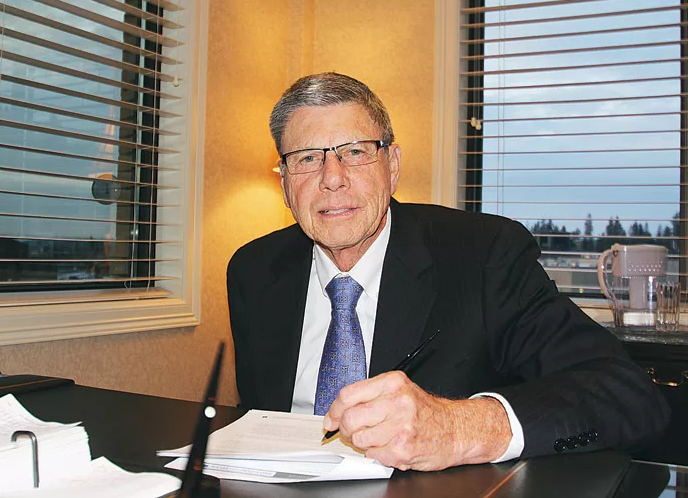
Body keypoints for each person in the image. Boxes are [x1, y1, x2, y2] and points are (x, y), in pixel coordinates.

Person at [227, 72, 669, 472]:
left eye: (356, 152)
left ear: (392, 166)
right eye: (306, 158)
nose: (332, 178)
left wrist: (458, 429)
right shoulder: (253, 271)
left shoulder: (484, 255)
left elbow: (626, 395)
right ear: (284, 183)